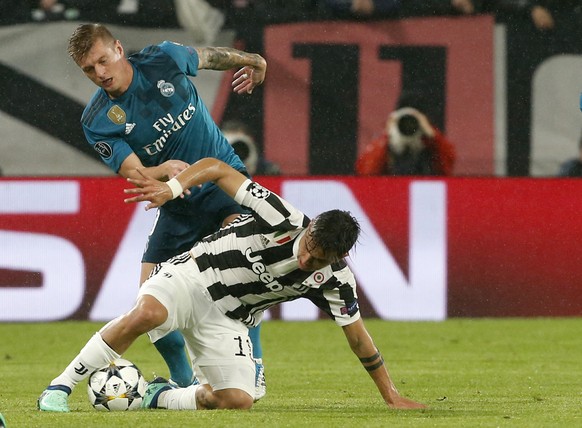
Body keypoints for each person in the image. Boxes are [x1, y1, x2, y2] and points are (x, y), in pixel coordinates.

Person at [37, 157, 427, 412]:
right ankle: (60, 388)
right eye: (309, 248)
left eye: (320, 260)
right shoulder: (280, 215)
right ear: (309, 228)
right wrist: (172, 189)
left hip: (229, 318)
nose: (308, 261)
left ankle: (155, 397)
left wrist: (391, 396)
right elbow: (216, 168)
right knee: (149, 313)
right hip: (192, 276)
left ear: (337, 258)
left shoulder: (336, 281)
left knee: (236, 400)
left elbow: (359, 339)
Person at [63, 23, 267, 400]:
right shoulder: (96, 120)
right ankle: (184, 381)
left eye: (103, 61)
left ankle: (253, 369)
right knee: (149, 304)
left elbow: (210, 56)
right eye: (89, 70)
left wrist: (253, 60)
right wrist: (163, 170)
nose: (100, 74)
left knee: (243, 270)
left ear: (119, 49)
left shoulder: (164, 58)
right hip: (177, 204)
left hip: (222, 180)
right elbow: (134, 171)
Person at [355, 101, 456, 176]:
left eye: (413, 121)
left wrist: (433, 136)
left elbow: (446, 170)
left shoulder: (430, 144)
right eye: (403, 121)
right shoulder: (384, 144)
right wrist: (387, 136)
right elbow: (367, 174)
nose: (409, 126)